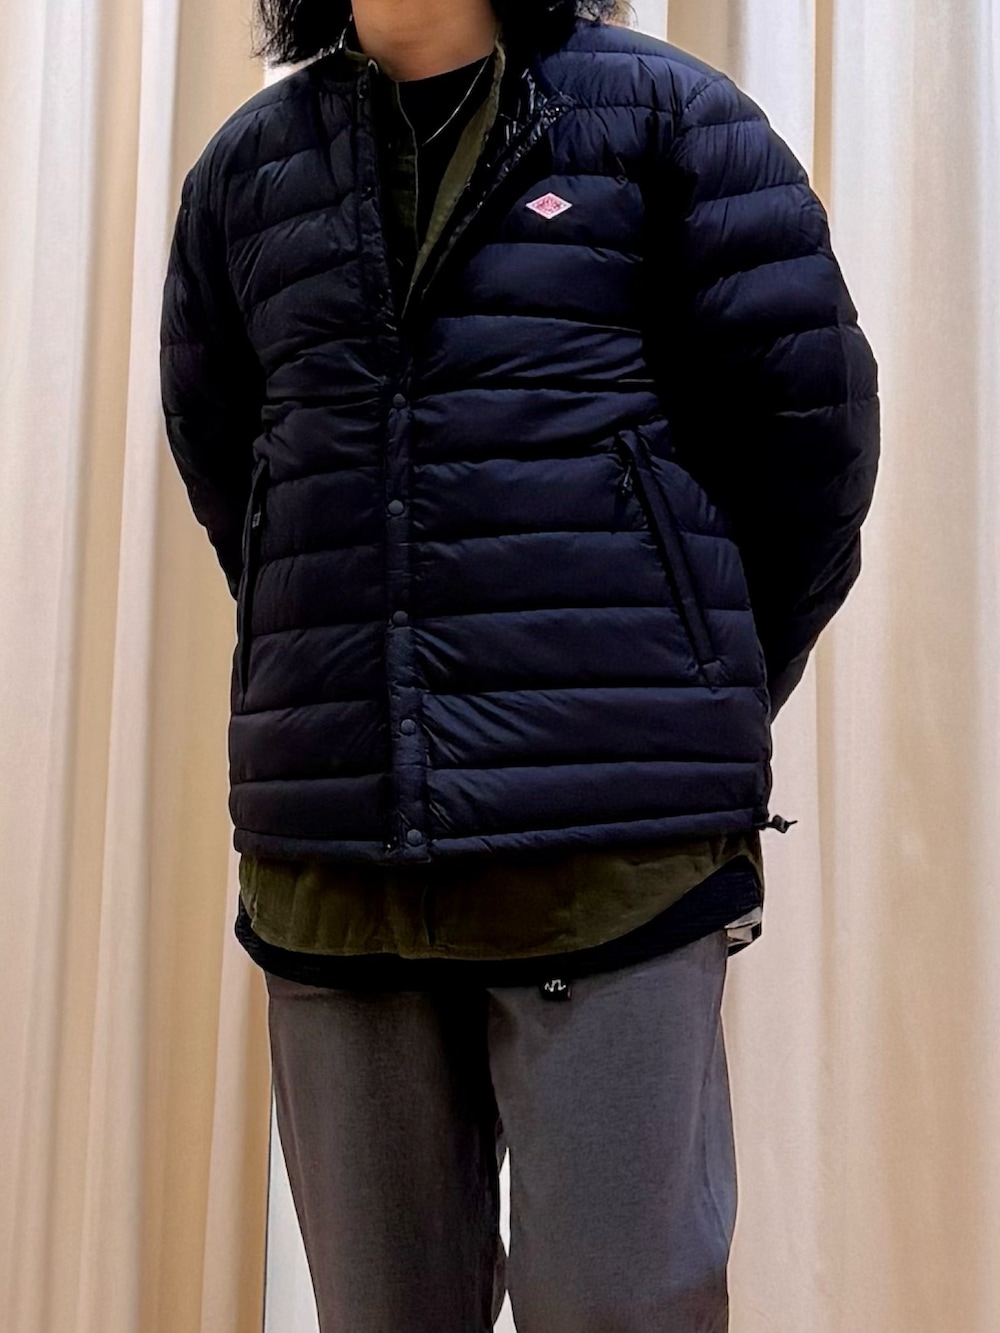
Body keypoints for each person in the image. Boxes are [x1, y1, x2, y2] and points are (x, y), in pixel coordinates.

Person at [159, 0, 880, 1327]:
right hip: (338, 871)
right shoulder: (248, 173)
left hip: (608, 865)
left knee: (624, 1307)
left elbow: (811, 450)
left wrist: (676, 693)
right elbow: (242, 483)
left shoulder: (672, 126)